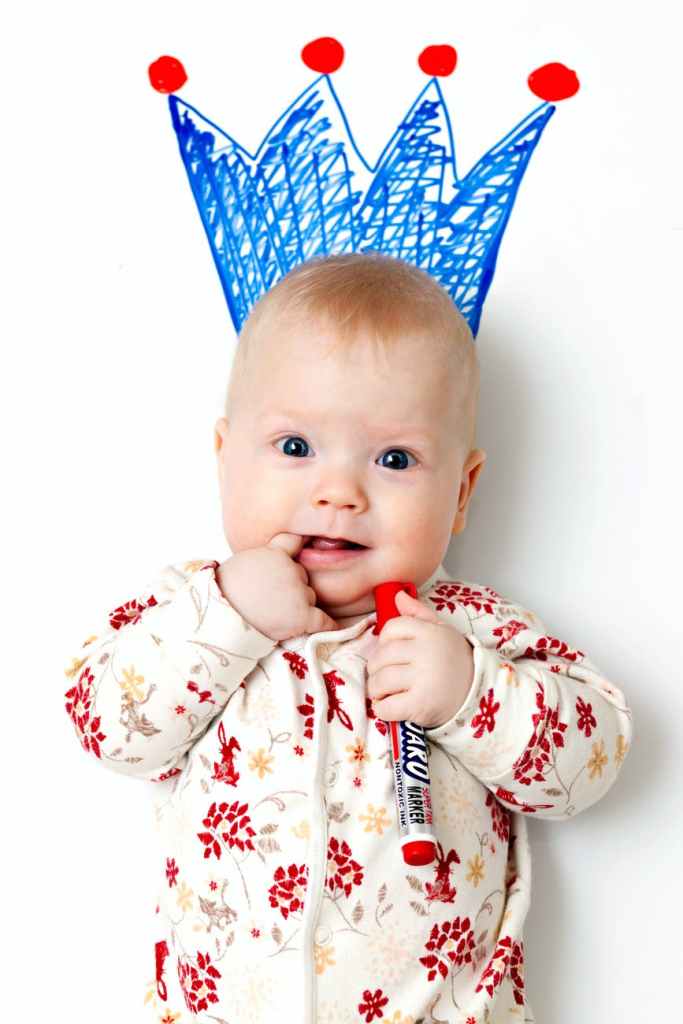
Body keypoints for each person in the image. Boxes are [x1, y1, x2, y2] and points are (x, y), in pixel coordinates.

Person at [63, 252, 633, 1023]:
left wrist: (469, 691)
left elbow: (585, 766)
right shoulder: (192, 607)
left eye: (394, 459)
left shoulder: (467, 627)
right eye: (295, 447)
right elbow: (106, 728)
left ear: (460, 492)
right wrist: (230, 614)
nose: (337, 492)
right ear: (224, 456)